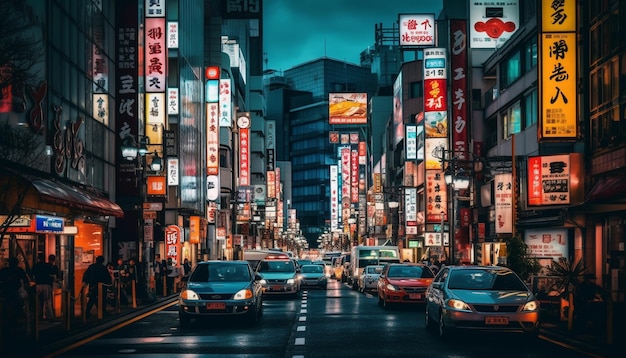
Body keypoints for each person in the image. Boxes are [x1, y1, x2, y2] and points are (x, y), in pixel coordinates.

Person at [0, 257, 30, 327]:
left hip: (5, 292)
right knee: (19, 305)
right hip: (16, 293)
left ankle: (8, 320)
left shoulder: (4, 270)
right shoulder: (19, 271)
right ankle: (18, 320)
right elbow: (26, 281)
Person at [31, 253, 55, 320]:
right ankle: (49, 316)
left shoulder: (35, 266)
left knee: (38, 301)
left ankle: (38, 316)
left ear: (38, 258)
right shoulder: (47, 266)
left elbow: (32, 275)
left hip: (38, 284)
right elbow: (52, 274)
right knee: (47, 301)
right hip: (46, 285)